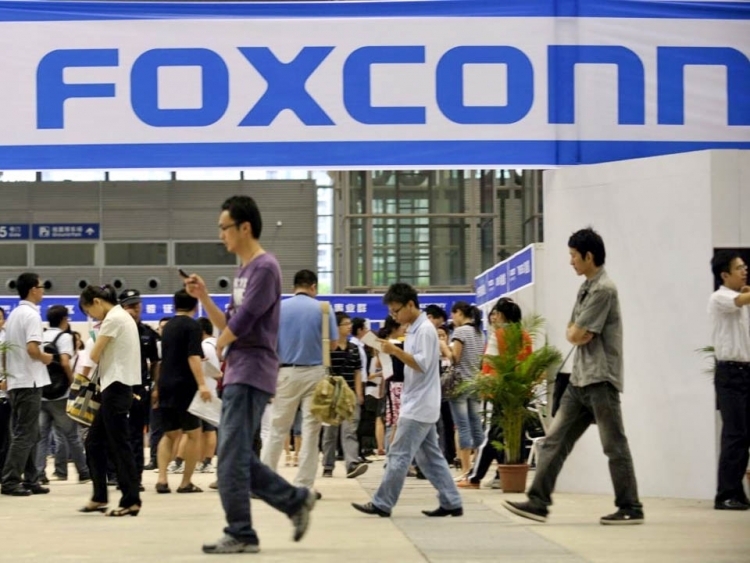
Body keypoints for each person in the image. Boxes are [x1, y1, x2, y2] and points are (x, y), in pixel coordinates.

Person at [184, 195, 316, 554]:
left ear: (245, 227)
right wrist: (204, 297)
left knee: (231, 456)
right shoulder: (243, 272)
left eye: (224, 227)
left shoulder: (265, 268)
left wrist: (220, 345)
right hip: (240, 370)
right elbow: (228, 320)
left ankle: (242, 531)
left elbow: (243, 323)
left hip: (252, 369)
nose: (221, 235)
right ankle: (293, 501)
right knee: (237, 455)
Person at [503, 227, 643, 525]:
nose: (570, 262)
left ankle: (630, 506)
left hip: (600, 379)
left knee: (614, 444)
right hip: (580, 379)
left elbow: (577, 333)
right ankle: (538, 502)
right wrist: (575, 332)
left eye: (574, 256)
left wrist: (575, 332)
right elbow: (573, 331)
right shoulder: (586, 288)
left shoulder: (604, 289)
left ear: (588, 256)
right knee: (553, 441)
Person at [352, 282, 462, 518]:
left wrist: (395, 351)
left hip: (419, 404)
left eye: (396, 310)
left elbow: (422, 364)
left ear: (410, 304)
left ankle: (382, 502)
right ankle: (451, 500)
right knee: (430, 457)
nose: (394, 316)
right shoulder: (413, 329)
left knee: (399, 454)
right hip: (417, 400)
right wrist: (390, 352)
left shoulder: (425, 330)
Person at [261, 269, 336, 489]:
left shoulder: (279, 309)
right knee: (311, 431)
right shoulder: (324, 308)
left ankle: (264, 482)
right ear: (313, 286)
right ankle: (304, 485)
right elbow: (332, 344)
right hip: (316, 374)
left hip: (286, 373)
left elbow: (270, 344)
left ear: (294, 287)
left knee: (277, 428)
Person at [77, 285, 142, 517]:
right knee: (94, 443)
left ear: (97, 301)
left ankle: (131, 500)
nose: (92, 316)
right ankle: (99, 496)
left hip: (116, 386)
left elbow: (94, 354)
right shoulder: (122, 316)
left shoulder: (113, 319)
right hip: (116, 386)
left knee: (119, 445)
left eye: (89, 311)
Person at [1, 272, 52, 497]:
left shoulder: (13, 315)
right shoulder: (31, 315)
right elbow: (32, 349)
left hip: (16, 380)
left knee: (32, 432)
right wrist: (46, 358)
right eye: (41, 287)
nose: (43, 291)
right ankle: (10, 480)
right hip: (29, 381)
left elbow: (5, 351)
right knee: (25, 434)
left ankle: (31, 478)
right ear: (33, 289)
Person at [154, 290, 210, 494]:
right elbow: (192, 356)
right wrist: (202, 384)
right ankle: (186, 482)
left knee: (169, 434)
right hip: (185, 385)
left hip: (166, 383)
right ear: (195, 305)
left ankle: (162, 480)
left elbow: (168, 357)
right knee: (193, 434)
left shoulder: (167, 326)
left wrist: (157, 386)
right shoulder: (193, 326)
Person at [707, 250, 750, 511]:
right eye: (739, 268)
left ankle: (737, 492)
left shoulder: (740, 299)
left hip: (746, 372)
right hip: (730, 374)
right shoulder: (720, 297)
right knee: (734, 434)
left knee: (744, 435)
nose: (745, 271)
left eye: (745, 267)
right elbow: (740, 300)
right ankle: (725, 494)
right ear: (725, 275)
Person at [36, 305, 90, 484]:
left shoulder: (41, 336)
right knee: (71, 435)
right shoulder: (64, 337)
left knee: (42, 437)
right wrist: (72, 382)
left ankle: (39, 473)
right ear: (64, 320)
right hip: (60, 394)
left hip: (42, 391)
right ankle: (83, 472)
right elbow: (66, 362)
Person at [119, 289, 161, 478]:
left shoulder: (147, 334)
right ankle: (119, 474)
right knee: (119, 433)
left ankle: (135, 476)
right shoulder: (114, 331)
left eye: (137, 305)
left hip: (139, 388)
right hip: (118, 387)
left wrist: (155, 387)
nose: (134, 309)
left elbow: (155, 362)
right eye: (130, 306)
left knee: (136, 433)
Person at [321, 312, 367, 479]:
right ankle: (328, 465)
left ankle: (352, 463)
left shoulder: (354, 349)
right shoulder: (327, 348)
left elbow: (357, 372)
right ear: (336, 327)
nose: (349, 327)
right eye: (345, 324)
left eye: (350, 324)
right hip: (331, 395)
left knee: (350, 430)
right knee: (330, 433)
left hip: (349, 396)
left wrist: (358, 393)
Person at [445, 301, 486, 477]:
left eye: (453, 314)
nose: (452, 318)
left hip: (460, 384)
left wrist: (444, 347)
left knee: (462, 426)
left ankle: (466, 469)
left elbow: (455, 358)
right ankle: (479, 467)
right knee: (477, 426)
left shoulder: (460, 332)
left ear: (459, 313)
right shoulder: (479, 333)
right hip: (475, 383)